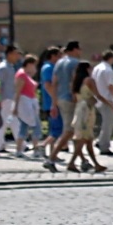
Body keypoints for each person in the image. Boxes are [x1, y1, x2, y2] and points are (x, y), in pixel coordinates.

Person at [45, 41, 86, 172]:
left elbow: (54, 83)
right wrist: (75, 95)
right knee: (70, 130)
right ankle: (51, 158)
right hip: (70, 98)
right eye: (79, 49)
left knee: (73, 130)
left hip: (60, 99)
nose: (80, 52)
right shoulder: (75, 63)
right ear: (74, 49)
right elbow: (74, 80)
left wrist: (54, 102)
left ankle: (81, 160)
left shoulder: (59, 63)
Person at [67, 62, 106, 173]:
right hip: (87, 111)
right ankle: (72, 162)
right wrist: (110, 104)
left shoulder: (75, 83)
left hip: (79, 109)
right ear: (87, 69)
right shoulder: (89, 80)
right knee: (84, 138)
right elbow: (98, 95)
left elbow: (74, 99)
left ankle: (96, 164)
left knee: (88, 139)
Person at [0, 46, 20, 153]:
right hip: (4, 99)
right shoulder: (3, 68)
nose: (17, 56)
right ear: (9, 54)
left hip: (10, 98)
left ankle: (20, 143)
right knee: (3, 123)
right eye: (15, 54)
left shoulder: (10, 67)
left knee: (13, 122)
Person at [92, 50, 113, 156]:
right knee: (109, 122)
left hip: (97, 97)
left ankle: (100, 141)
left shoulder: (97, 68)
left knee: (108, 121)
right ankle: (104, 146)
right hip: (106, 99)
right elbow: (110, 86)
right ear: (111, 58)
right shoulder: (108, 70)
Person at [13, 55, 42, 157]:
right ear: (29, 64)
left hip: (29, 102)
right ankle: (36, 149)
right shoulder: (21, 75)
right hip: (25, 103)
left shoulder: (25, 74)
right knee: (36, 127)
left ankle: (19, 150)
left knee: (24, 127)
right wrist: (15, 107)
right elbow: (18, 91)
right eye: (34, 65)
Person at [38, 47, 61, 155]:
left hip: (50, 102)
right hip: (51, 102)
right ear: (53, 56)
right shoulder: (49, 68)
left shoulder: (50, 67)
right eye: (59, 56)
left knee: (53, 128)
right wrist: (55, 100)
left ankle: (53, 153)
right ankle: (43, 145)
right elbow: (48, 85)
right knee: (57, 128)